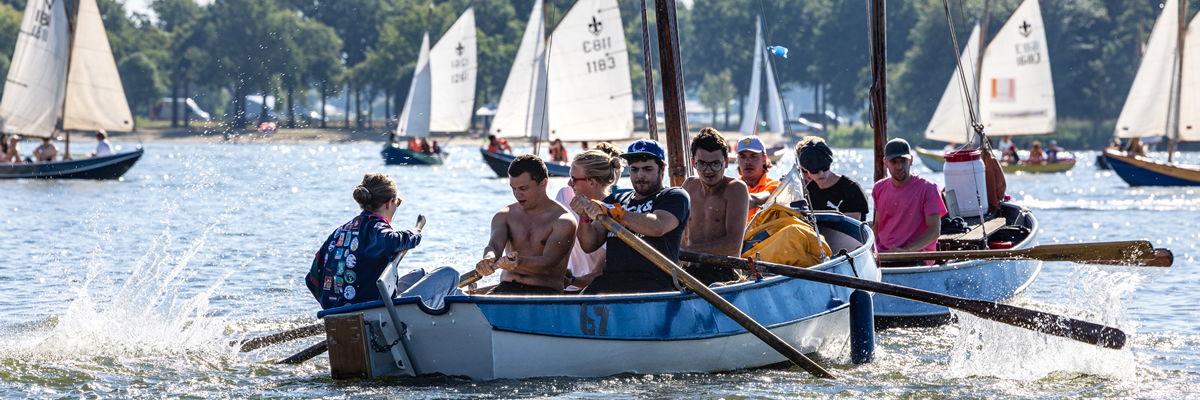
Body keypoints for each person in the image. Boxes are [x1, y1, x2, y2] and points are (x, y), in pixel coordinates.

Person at [572, 139, 690, 294]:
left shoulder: (674, 196)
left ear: (662, 169)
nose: (640, 176)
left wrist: (616, 213)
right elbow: (589, 245)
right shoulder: (615, 200)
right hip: (611, 283)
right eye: (634, 169)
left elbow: (658, 226)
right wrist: (584, 219)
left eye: (647, 169)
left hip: (654, 284)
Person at [306, 173, 423, 310]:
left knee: (420, 274)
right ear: (388, 203)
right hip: (373, 314)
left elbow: (311, 280)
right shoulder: (375, 229)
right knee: (448, 274)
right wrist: (415, 233)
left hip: (337, 313)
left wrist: (333, 311)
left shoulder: (338, 232)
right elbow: (391, 241)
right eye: (397, 203)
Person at [475, 155, 578, 295]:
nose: (517, 194)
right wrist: (488, 259)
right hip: (504, 289)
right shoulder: (504, 215)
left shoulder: (563, 220)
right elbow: (494, 246)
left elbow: (548, 264)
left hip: (544, 293)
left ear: (543, 184)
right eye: (513, 188)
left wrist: (519, 261)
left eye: (523, 188)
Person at [681, 128, 748, 285]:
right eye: (702, 164)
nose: (708, 170)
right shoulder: (688, 186)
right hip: (692, 269)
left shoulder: (736, 189)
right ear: (693, 163)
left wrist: (685, 252)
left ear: (725, 163)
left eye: (715, 164)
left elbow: (733, 245)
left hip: (724, 271)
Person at [555, 146, 624, 292]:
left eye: (573, 179)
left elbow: (599, 274)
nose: (569, 183)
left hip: (595, 291)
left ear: (592, 182)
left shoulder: (614, 212)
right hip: (561, 287)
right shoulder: (565, 195)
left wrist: (571, 280)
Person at [872, 138, 947, 266]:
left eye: (903, 161)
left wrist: (906, 251)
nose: (899, 167)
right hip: (883, 255)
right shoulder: (878, 188)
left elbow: (934, 230)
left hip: (916, 255)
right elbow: (877, 227)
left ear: (911, 161)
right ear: (885, 163)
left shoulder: (929, 188)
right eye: (894, 162)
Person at [797, 137, 870, 221]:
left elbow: (851, 230)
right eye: (815, 171)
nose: (821, 173)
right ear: (804, 169)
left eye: (825, 168)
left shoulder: (851, 190)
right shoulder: (809, 191)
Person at [735, 136, 779, 223]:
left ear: (764, 159)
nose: (747, 161)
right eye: (742, 157)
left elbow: (757, 199)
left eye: (753, 156)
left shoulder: (776, 186)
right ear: (738, 160)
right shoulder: (731, 186)